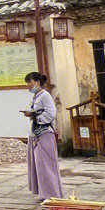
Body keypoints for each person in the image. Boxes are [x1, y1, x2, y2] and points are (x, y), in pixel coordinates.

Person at [24, 72, 64, 202]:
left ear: (38, 82)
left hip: (45, 134)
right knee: (39, 166)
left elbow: (50, 114)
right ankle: (44, 193)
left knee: (46, 165)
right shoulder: (36, 96)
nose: (28, 85)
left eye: (30, 82)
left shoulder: (46, 96)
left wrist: (36, 116)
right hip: (36, 134)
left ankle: (51, 195)